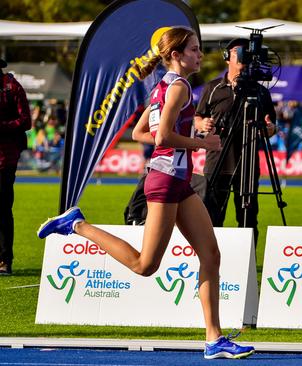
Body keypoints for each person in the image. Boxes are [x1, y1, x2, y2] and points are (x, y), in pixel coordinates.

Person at [37, 27, 254, 359]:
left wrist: (187, 128)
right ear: (177, 55)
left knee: (210, 256)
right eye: (195, 50)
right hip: (166, 181)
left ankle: (214, 339)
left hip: (178, 181)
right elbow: (163, 137)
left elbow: (141, 132)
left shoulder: (161, 86)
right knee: (144, 265)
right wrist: (202, 141)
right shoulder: (178, 87)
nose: (200, 55)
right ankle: (77, 225)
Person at [194, 38, 276, 246]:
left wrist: (269, 129)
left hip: (247, 162)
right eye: (238, 52)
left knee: (248, 219)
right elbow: (197, 117)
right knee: (211, 216)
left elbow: (272, 126)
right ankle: (211, 261)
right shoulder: (213, 87)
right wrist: (202, 124)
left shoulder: (260, 91)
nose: (243, 56)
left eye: (247, 52)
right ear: (227, 57)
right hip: (216, 160)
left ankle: (246, 264)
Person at [0, 58, 31, 275]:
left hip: (5, 158)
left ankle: (4, 260)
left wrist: (2, 127)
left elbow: (26, 120)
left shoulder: (11, 87)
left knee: (2, 209)